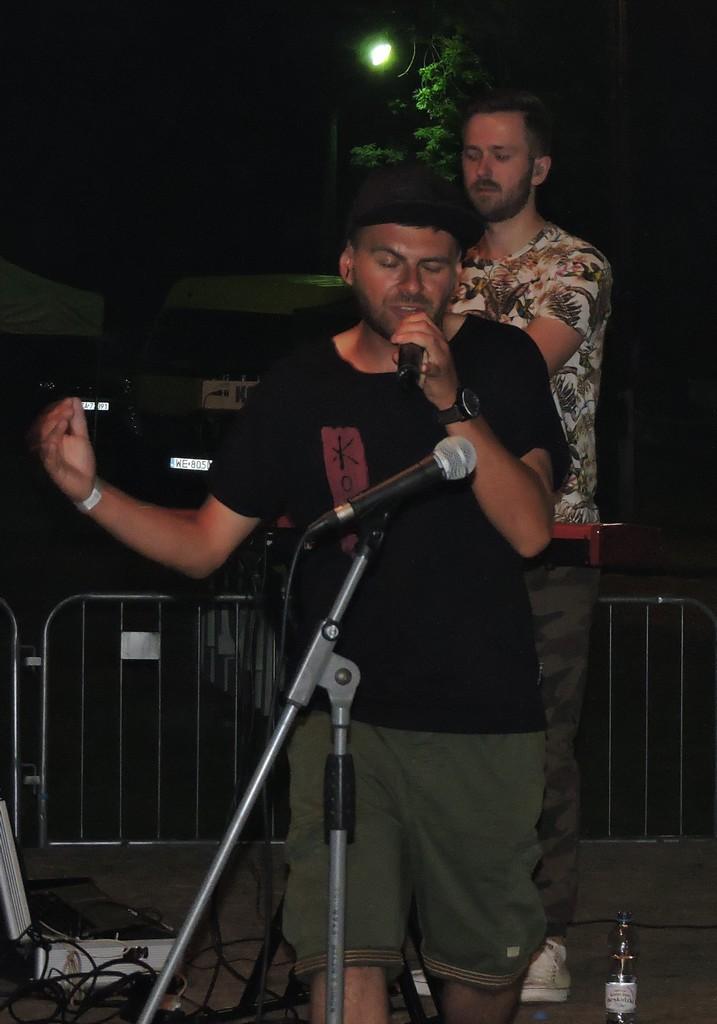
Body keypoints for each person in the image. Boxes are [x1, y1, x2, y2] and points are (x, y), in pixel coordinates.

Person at [31, 163, 568, 1024]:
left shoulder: (500, 363)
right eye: (388, 260)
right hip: (339, 718)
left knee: (481, 965)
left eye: (432, 264)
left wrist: (449, 402)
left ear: (459, 273)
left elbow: (531, 529)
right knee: (340, 953)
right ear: (348, 265)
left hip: (479, 716)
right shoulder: (299, 386)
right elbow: (203, 546)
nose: (410, 282)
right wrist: (89, 493)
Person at [452, 90, 613, 1003]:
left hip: (551, 532)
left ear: (538, 167)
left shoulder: (573, 266)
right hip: (452, 532)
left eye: (502, 154)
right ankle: (461, 921)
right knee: (450, 731)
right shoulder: (444, 265)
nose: (484, 170)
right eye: (473, 154)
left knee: (542, 739)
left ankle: (545, 932)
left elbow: (515, 367)